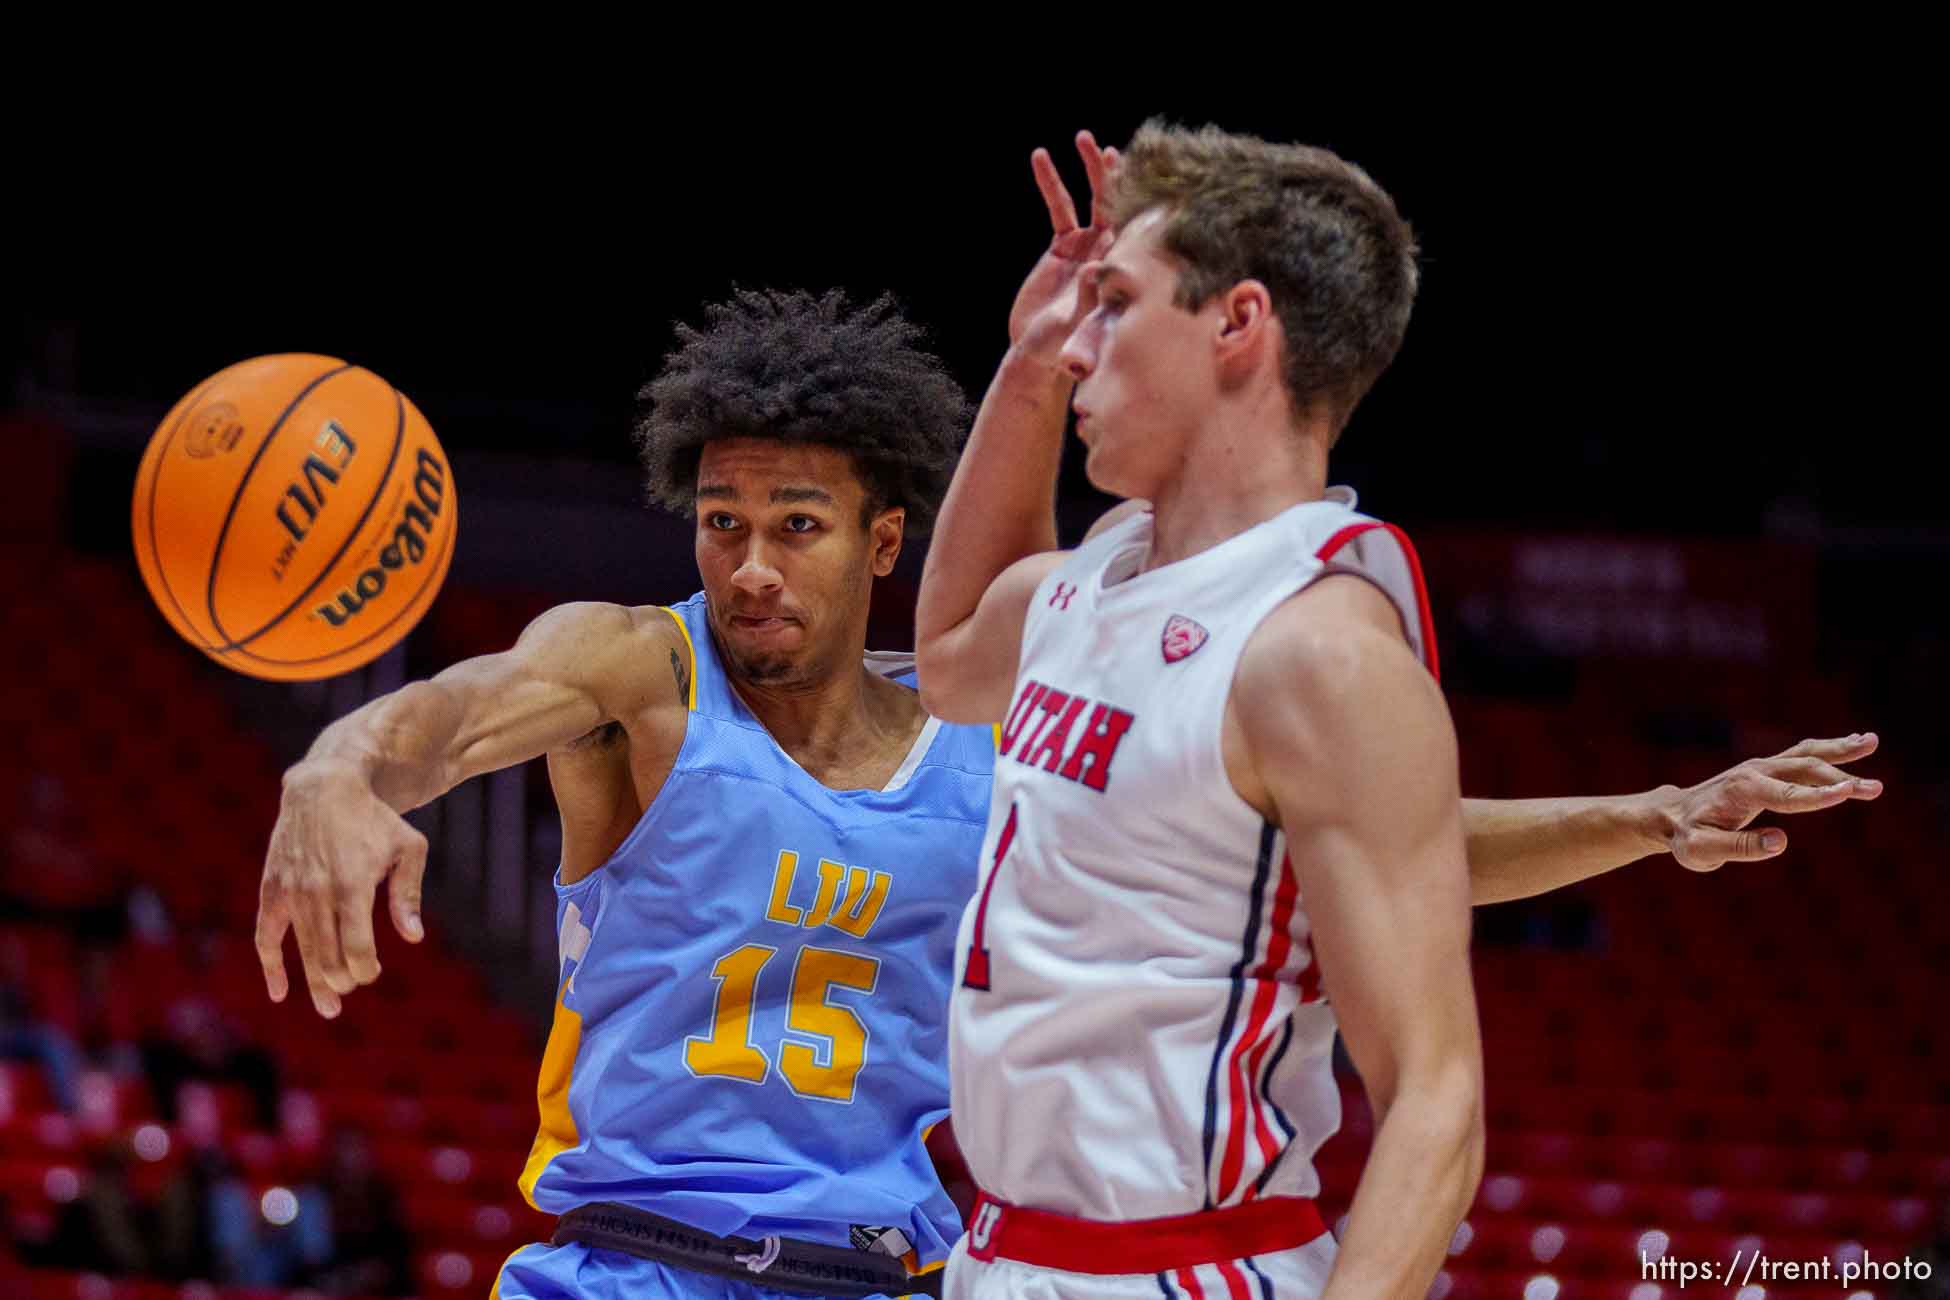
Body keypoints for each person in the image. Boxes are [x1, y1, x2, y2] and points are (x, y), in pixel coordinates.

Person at [258, 289, 1877, 1298]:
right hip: (626, 1274)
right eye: (723, 520)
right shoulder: (638, 675)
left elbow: (1383, 851)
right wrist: (338, 762)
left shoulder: (1006, 749)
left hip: (891, 1284)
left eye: (797, 524)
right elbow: (451, 720)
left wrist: (1656, 815)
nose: (749, 564)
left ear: (890, 540)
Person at [914, 123, 1882, 1300]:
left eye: (1113, 303)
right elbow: (956, 655)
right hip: (1000, 1253)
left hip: (1171, 1271)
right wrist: (1019, 365)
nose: (1079, 345)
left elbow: (1435, 1100)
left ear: (1238, 324)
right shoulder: (1102, 568)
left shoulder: (1319, 647)